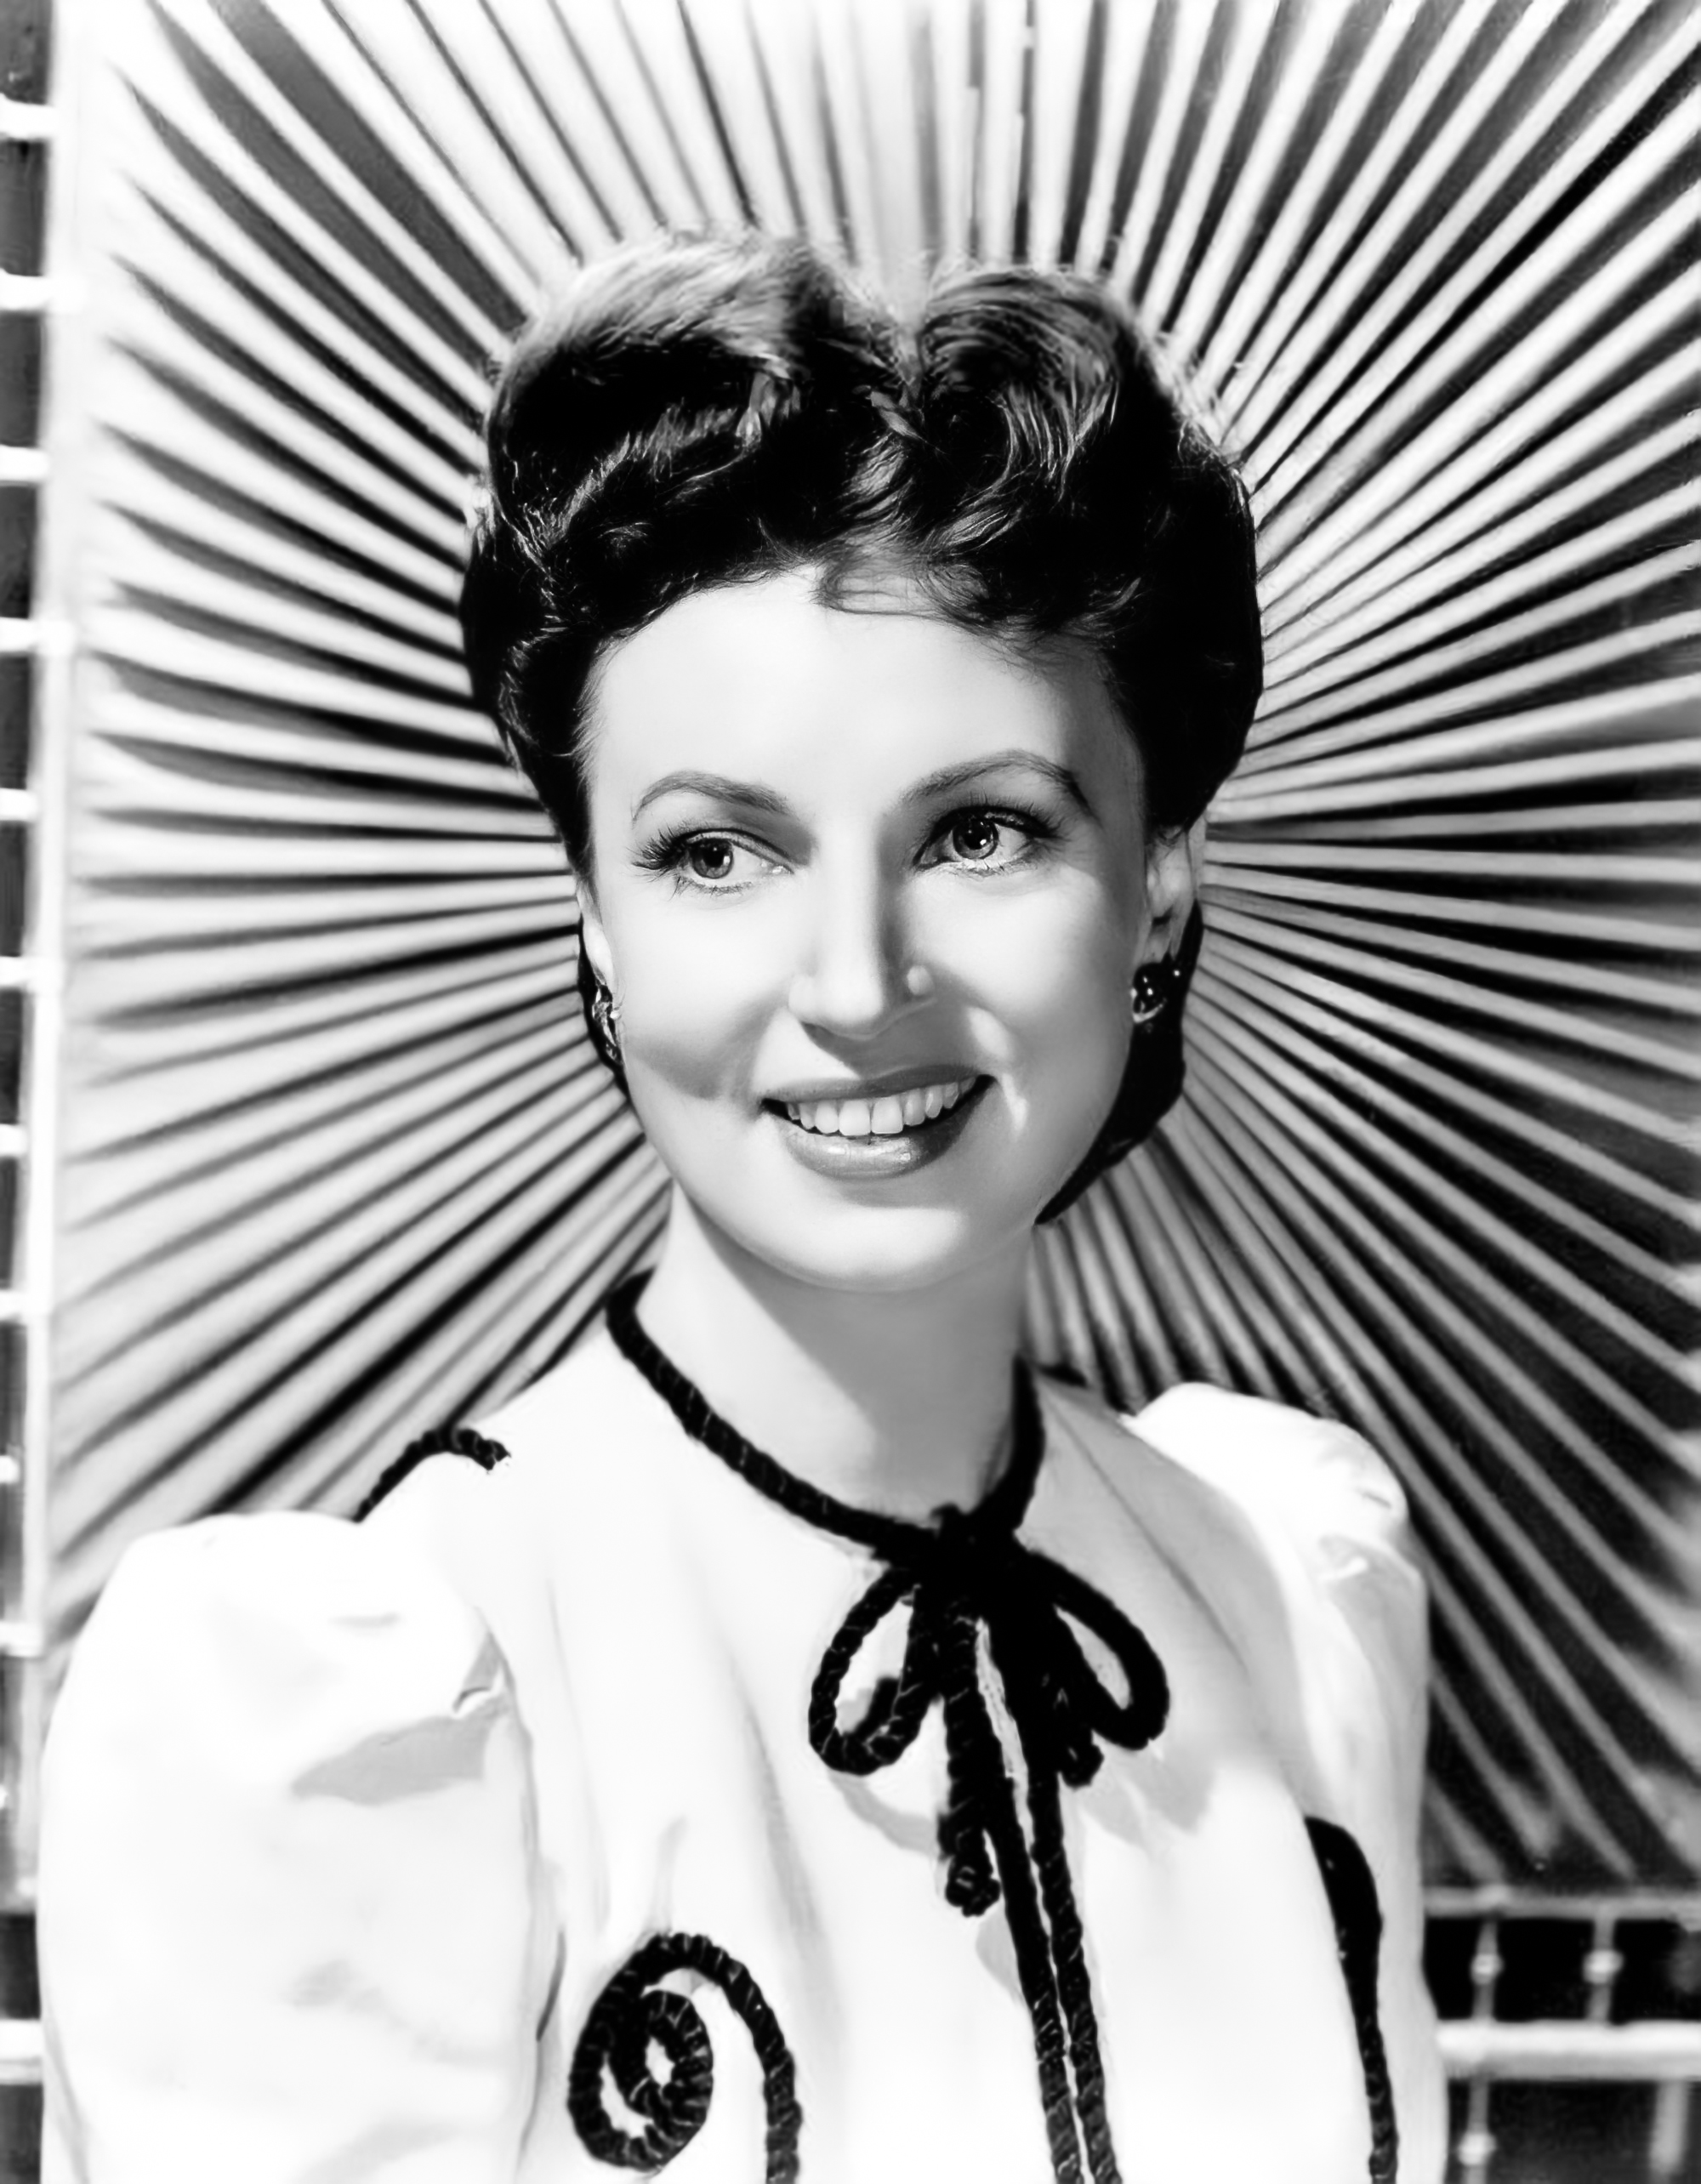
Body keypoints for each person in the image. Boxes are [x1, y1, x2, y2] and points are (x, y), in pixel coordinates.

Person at [37, 232, 1447, 2183]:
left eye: (981, 830)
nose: (857, 983)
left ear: (1158, 886)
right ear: (598, 929)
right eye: (717, 853)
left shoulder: (1291, 1599)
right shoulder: (354, 1719)